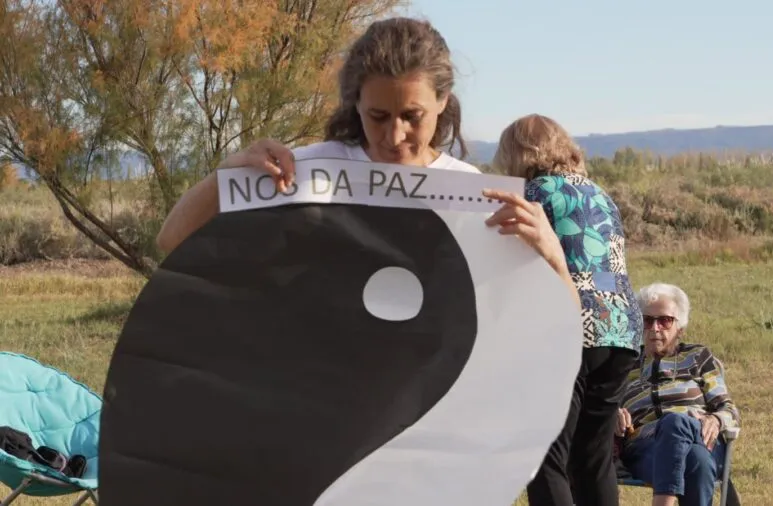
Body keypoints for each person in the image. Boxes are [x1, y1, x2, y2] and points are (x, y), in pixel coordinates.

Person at [155, 18, 579, 307]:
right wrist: (227, 173)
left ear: (442, 101)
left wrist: (553, 260)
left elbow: (550, 331)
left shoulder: (478, 198)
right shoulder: (302, 174)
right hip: (312, 408)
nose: (394, 137)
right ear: (355, 102)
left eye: (412, 117)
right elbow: (173, 240)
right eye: (378, 116)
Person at [491, 114, 643, 506]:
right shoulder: (601, 194)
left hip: (568, 328)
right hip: (620, 330)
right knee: (592, 459)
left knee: (545, 458)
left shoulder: (532, 197)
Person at [615, 282, 740, 506]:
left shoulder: (697, 356)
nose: (655, 328)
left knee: (676, 423)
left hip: (701, 438)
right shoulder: (627, 363)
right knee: (696, 461)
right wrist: (613, 415)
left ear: (680, 327)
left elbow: (728, 409)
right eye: (647, 320)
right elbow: (602, 406)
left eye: (664, 320)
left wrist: (716, 418)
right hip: (645, 446)